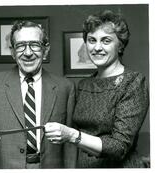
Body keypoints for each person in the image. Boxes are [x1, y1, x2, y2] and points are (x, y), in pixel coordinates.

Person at [44, 10, 149, 168]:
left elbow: (119, 147)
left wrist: (72, 135)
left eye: (106, 41)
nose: (97, 47)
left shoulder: (133, 82)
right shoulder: (84, 84)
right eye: (92, 40)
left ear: (120, 45)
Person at [0, 20, 76, 168]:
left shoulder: (65, 87)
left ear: (45, 50)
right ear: (13, 52)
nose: (28, 53)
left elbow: (70, 145)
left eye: (35, 45)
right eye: (21, 46)